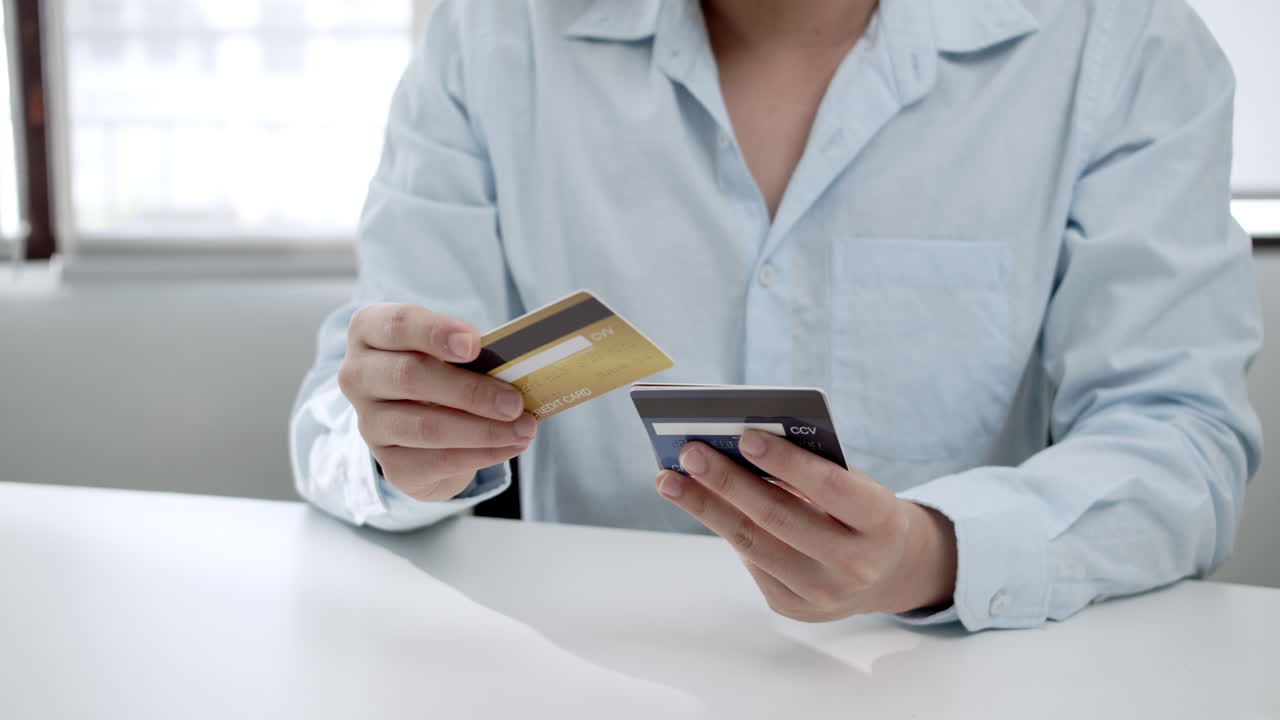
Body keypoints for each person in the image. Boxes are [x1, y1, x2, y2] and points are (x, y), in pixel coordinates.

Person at [290, 0, 1263, 630]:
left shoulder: (1120, 43)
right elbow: (340, 416)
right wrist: (396, 447)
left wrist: (933, 554)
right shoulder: (490, 34)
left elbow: (1180, 437)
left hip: (938, 678)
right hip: (588, 670)